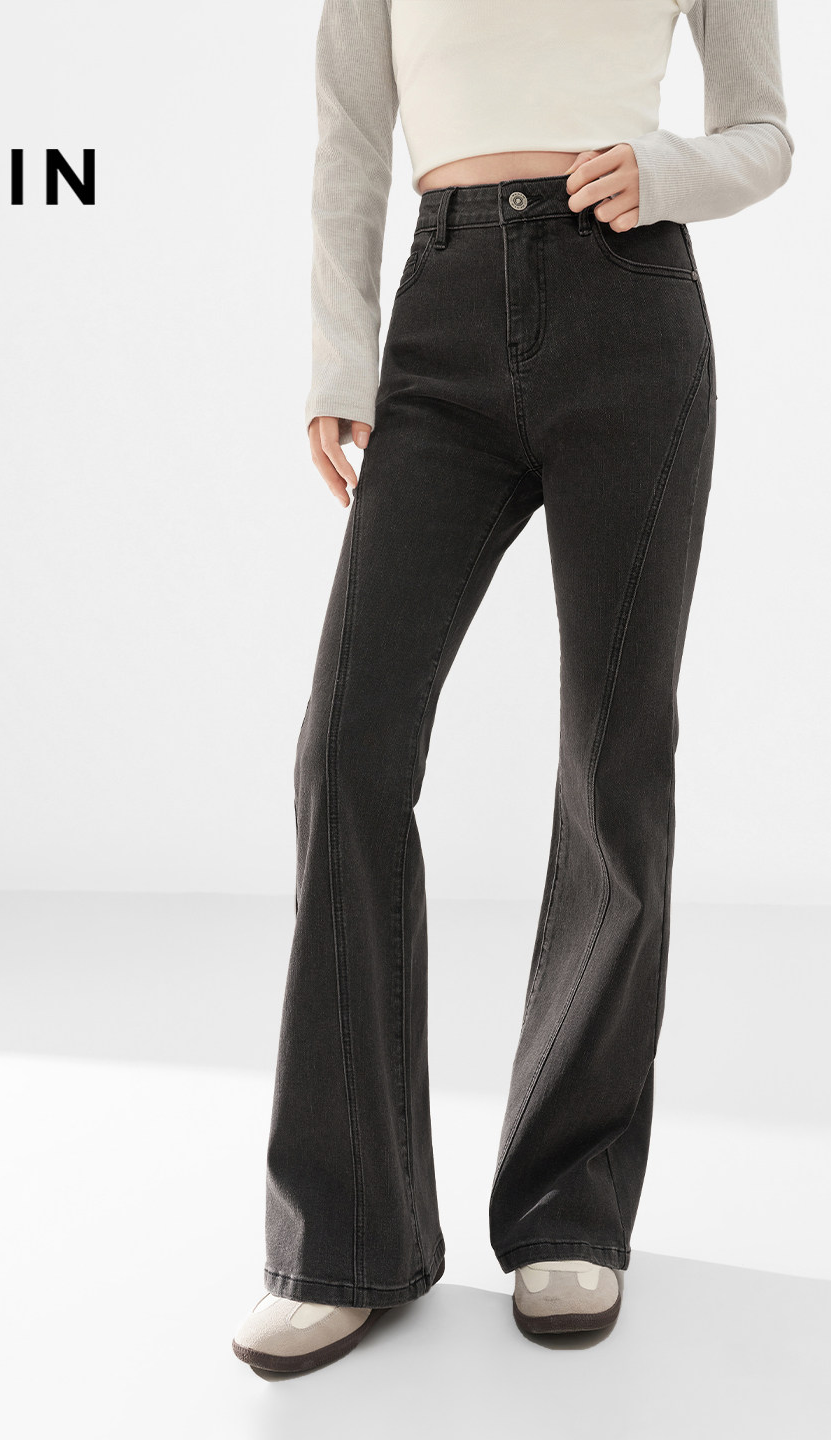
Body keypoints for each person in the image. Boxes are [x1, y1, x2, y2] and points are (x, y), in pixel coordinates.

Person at [233, 0, 794, 1376]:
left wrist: (665, 171)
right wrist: (338, 352)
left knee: (614, 759)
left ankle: (569, 1209)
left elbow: (763, 135)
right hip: (441, 325)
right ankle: (345, 1237)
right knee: (347, 752)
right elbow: (351, 136)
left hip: (631, 312)